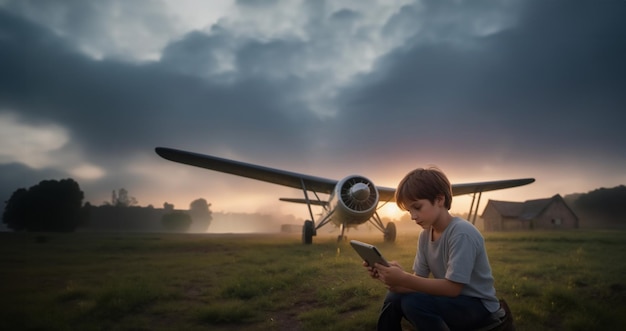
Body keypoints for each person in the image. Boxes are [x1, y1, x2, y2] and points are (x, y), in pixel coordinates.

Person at [363, 167, 513, 330]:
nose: (413, 216)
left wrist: (404, 278)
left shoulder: (462, 233)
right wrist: (389, 278)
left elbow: (453, 288)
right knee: (394, 297)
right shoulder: (425, 235)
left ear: (439, 199)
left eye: (417, 207)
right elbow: (417, 281)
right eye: (409, 211)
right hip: (449, 301)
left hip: (477, 305)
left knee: (414, 303)